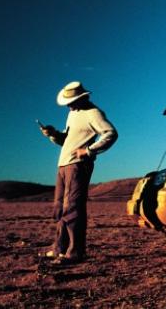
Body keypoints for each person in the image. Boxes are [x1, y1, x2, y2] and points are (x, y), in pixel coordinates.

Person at [39, 81, 118, 264]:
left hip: (77, 165)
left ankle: (75, 253)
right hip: (64, 165)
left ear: (82, 98)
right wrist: (52, 134)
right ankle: (59, 248)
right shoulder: (72, 113)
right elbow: (66, 140)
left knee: (72, 208)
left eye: (72, 101)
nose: (69, 105)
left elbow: (110, 133)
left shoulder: (93, 113)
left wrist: (89, 151)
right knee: (60, 208)